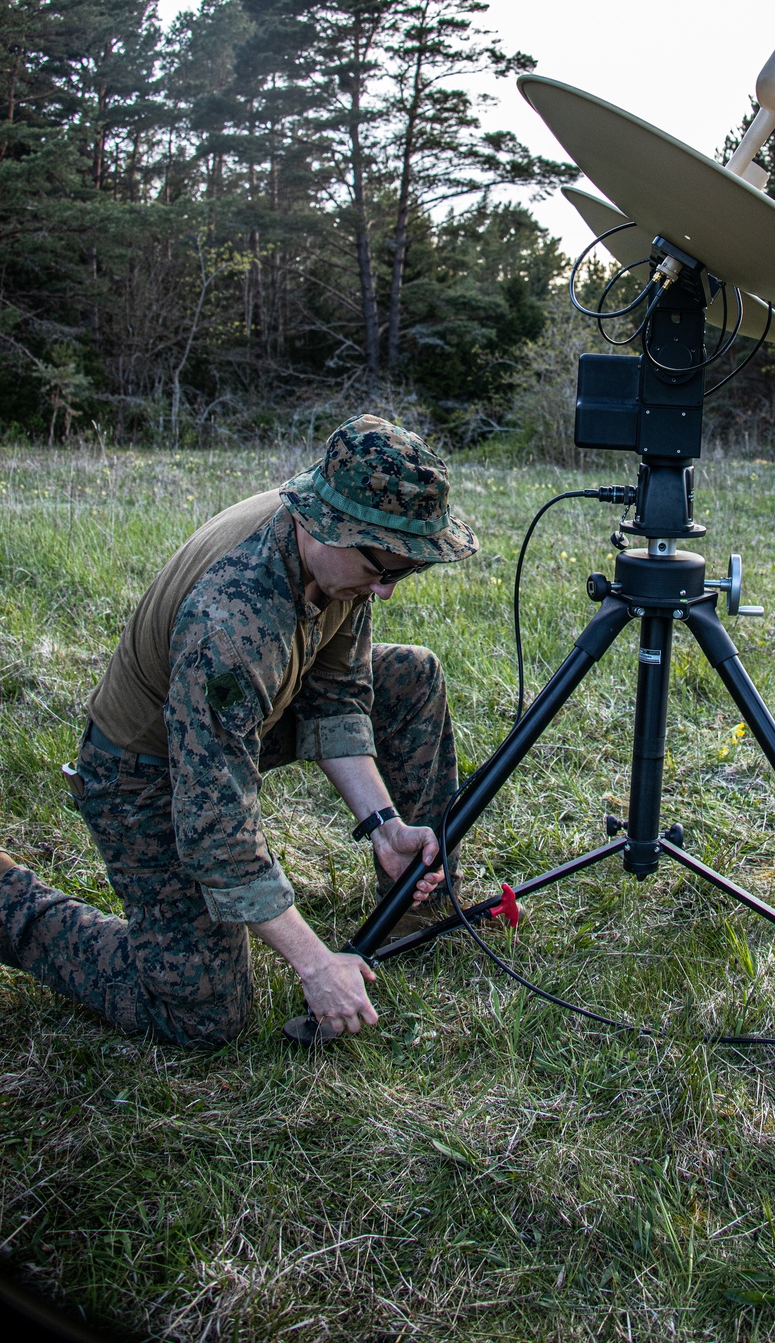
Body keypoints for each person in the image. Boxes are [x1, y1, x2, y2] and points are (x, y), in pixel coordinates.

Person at [0, 415, 478, 1046]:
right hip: (144, 771)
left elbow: (337, 699)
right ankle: (12, 905)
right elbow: (216, 830)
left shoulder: (339, 564)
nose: (386, 590)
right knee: (204, 1016)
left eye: (403, 572)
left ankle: (411, 909)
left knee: (410, 674)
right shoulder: (231, 623)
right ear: (326, 526)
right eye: (381, 569)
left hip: (247, 717)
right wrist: (314, 965)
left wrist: (384, 826)